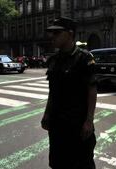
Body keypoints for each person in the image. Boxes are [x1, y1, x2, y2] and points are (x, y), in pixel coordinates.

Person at [41, 17, 97, 169]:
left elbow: (92, 90)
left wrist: (89, 121)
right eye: (51, 33)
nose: (52, 36)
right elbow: (52, 91)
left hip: (77, 124)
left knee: (82, 164)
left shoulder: (84, 58)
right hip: (57, 124)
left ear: (70, 34)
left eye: (57, 33)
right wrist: (46, 114)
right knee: (58, 163)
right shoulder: (53, 60)